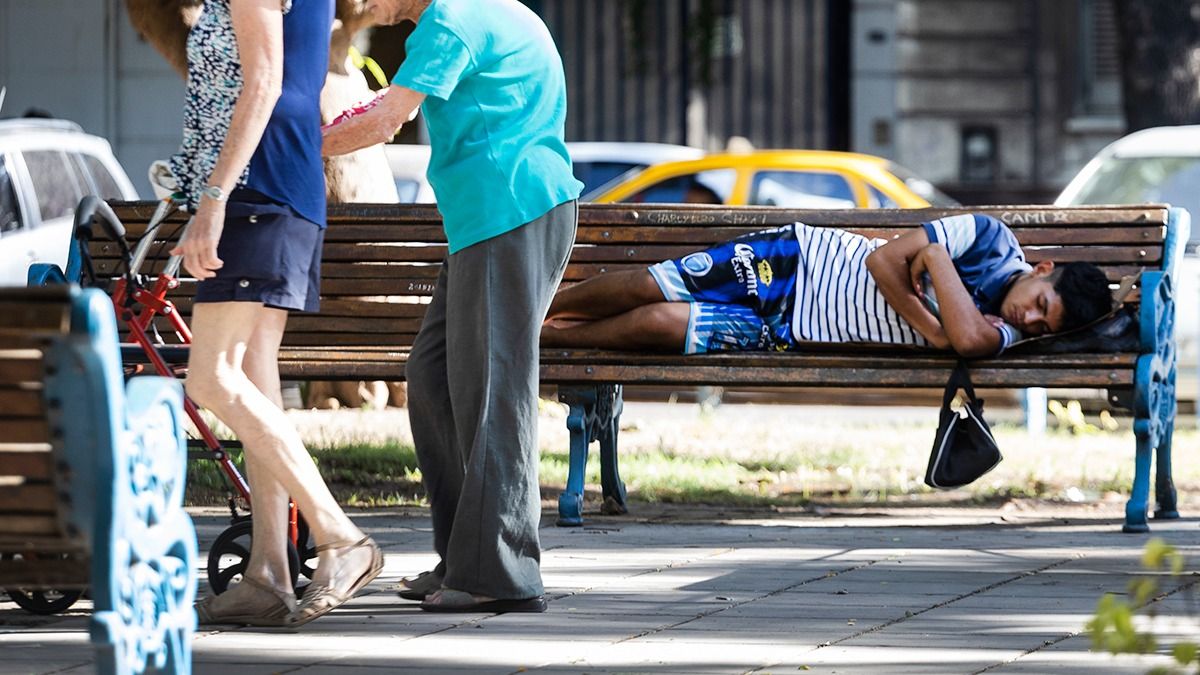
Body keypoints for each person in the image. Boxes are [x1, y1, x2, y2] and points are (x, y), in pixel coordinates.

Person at [322, 0, 582, 613]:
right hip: (489, 220)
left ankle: (500, 575)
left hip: (509, 211)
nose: (357, 4)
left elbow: (385, 120)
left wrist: (282, 150)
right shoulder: (479, 12)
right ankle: (462, 558)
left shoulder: (452, 20)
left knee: (492, 389)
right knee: (433, 377)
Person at [169, 0, 381, 627]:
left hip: (256, 190)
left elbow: (264, 81)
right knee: (253, 378)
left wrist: (212, 199)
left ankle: (341, 539)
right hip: (280, 185)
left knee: (211, 378)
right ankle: (268, 571)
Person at [542, 214, 1114, 358]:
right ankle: (541, 303)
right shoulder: (988, 238)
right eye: (1041, 304)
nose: (1031, 319)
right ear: (1042, 268)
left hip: (792, 328)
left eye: (1045, 324)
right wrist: (933, 325)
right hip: (804, 259)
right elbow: (882, 261)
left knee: (664, 322)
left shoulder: (1010, 334)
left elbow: (965, 342)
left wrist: (933, 257)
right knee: (654, 287)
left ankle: (544, 339)